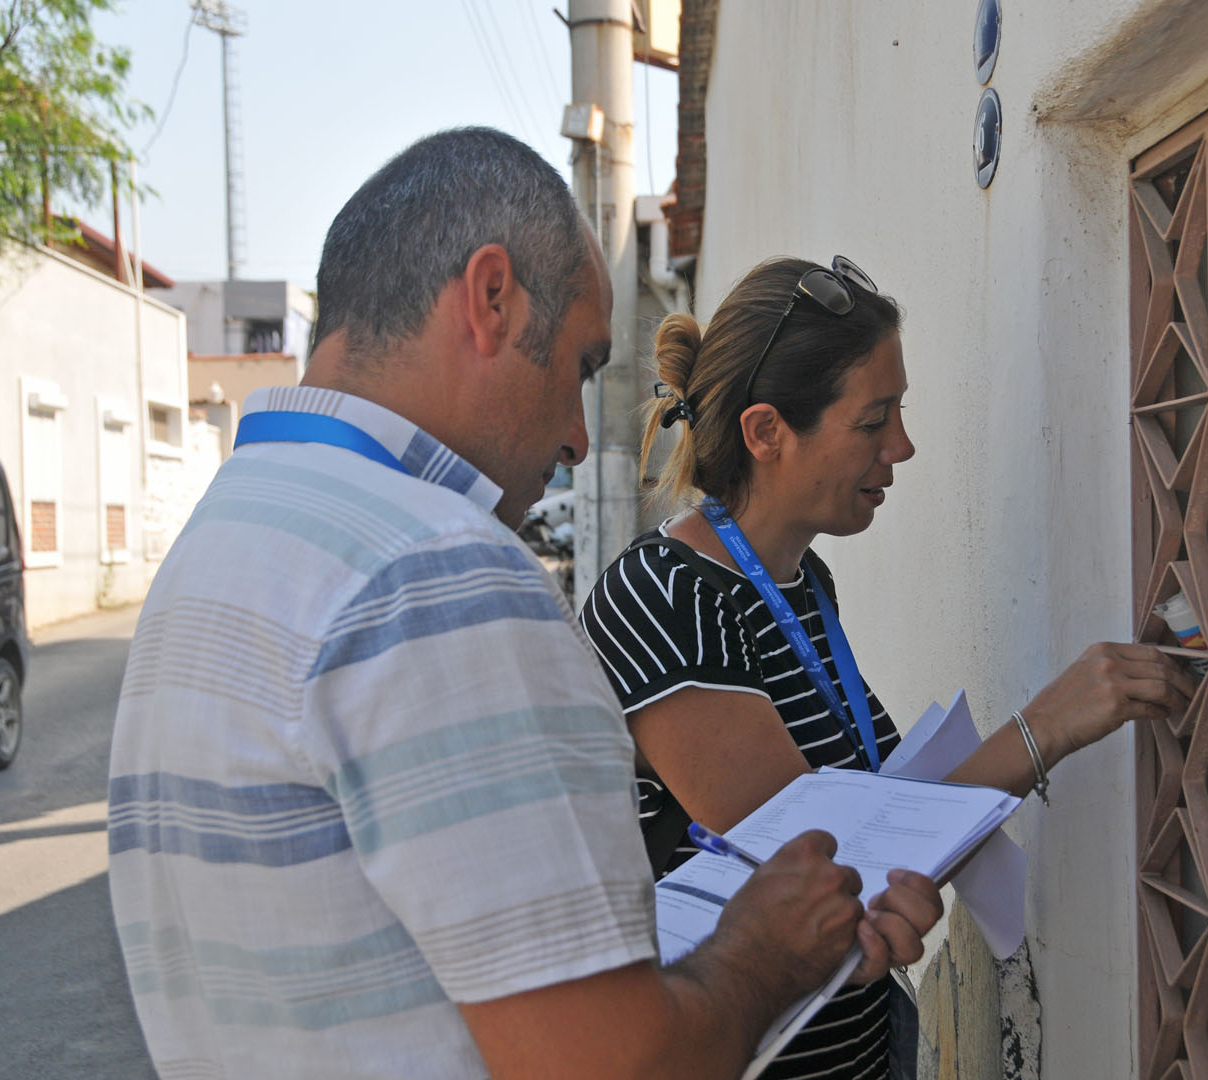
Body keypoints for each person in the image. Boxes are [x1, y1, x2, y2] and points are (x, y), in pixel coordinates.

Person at [106, 130, 944, 1080]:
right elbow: (609, 1066)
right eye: (582, 367)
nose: (581, 440)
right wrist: (764, 949)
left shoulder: (227, 535)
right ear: (491, 298)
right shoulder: (436, 571)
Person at [579, 255, 1196, 1079]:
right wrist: (1043, 730)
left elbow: (876, 816)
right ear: (766, 432)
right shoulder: (664, 597)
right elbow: (817, 872)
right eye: (874, 421)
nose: (901, 448)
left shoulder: (802, 582)